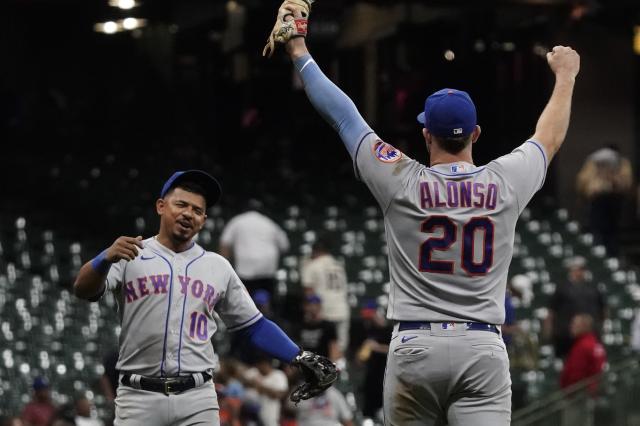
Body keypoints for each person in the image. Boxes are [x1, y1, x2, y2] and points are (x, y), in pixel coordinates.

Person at [274, 4, 580, 423]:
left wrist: (298, 49)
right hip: (481, 347)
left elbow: (344, 115)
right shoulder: (506, 180)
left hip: (415, 345)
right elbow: (549, 135)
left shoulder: (402, 179)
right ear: (475, 134)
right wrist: (565, 76)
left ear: (425, 134)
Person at [73, 170, 335, 426]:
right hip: (138, 397)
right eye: (181, 204)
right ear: (161, 206)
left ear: (204, 220)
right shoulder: (131, 254)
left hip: (197, 398)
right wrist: (103, 258)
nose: (189, 213)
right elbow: (83, 290)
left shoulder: (217, 266)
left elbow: (253, 326)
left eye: (197, 210)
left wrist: (297, 356)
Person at [219, 199, 290, 300]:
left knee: (245, 302)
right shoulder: (269, 222)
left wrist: (224, 268)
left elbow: (225, 244)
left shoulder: (237, 221)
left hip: (245, 269)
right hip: (267, 269)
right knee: (266, 301)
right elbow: (285, 246)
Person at [544, 256, 606, 359]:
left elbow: (603, 310)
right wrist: (548, 333)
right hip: (566, 337)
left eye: (582, 269)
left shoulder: (593, 287)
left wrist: (601, 328)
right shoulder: (562, 288)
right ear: (571, 270)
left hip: (590, 335)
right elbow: (551, 312)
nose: (580, 271)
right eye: (577, 269)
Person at [576, 145, 633, 255]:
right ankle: (599, 254)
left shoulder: (622, 163)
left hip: (614, 201)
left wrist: (613, 178)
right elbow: (583, 184)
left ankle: (613, 256)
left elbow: (626, 184)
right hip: (597, 202)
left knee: (612, 233)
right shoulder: (593, 162)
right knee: (597, 232)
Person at [301, 235, 350, 352]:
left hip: (324, 311)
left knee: (323, 350)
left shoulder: (312, 265)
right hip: (342, 309)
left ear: (315, 251)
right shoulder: (338, 265)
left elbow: (309, 292)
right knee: (340, 350)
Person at [559, 314, 606, 394]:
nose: (571, 326)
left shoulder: (582, 346)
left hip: (580, 394)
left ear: (584, 326)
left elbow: (576, 374)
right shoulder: (595, 344)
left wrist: (568, 391)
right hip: (592, 392)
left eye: (574, 324)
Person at [242, 354, 289, 426]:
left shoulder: (279, 375)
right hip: (251, 415)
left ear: (266, 364)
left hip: (270, 415)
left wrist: (261, 386)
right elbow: (242, 378)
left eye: (260, 364)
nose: (258, 366)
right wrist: (252, 383)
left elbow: (278, 395)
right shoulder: (254, 372)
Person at [296, 295, 341, 361]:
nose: (312, 308)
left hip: (322, 364)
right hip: (303, 362)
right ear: (305, 307)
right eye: (309, 305)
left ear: (320, 307)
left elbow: (334, 349)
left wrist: (331, 365)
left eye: (315, 305)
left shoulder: (328, 326)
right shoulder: (299, 326)